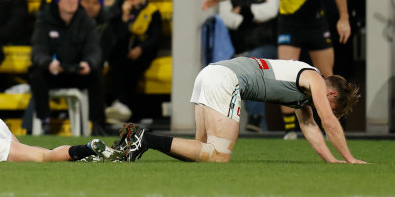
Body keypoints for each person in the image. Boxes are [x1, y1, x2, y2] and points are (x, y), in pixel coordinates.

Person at [202, 0, 351, 139]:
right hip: (289, 26)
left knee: (328, 77)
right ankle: (291, 130)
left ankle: (333, 127)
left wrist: (344, 18)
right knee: (286, 79)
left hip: (316, 25)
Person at [114, 57, 367, 165]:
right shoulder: (315, 79)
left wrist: (333, 160)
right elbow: (327, 123)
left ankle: (139, 140)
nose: (330, 112)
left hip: (210, 73)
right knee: (219, 155)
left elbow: (310, 127)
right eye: (336, 108)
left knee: (201, 150)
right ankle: (144, 138)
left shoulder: (303, 97)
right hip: (225, 79)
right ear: (332, 94)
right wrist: (351, 158)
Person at [29, 0, 106, 135]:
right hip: (54, 71)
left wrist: (88, 63)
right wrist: (48, 63)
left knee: (97, 74)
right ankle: (44, 121)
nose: (72, 1)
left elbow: (95, 50)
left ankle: (96, 124)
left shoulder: (86, 21)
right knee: (36, 74)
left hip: (77, 71)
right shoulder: (44, 20)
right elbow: (37, 51)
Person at [219, 0, 279, 132]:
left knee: (250, 63)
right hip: (240, 48)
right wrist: (254, 16)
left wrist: (243, 11)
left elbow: (271, 11)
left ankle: (255, 118)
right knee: (228, 69)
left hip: (269, 46)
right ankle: (257, 128)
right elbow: (227, 18)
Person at [106, 0, 162, 123]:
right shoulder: (123, 10)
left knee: (129, 65)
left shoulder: (153, 12)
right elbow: (119, 37)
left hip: (145, 52)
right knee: (119, 60)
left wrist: (140, 49)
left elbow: (155, 38)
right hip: (124, 52)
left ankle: (122, 105)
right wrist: (124, 16)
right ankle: (121, 105)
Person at [79, 0, 116, 64]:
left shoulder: (106, 26)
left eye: (95, 3)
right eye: (87, 1)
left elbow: (104, 53)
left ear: (101, 6)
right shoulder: (71, 21)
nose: (90, 6)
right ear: (80, 2)